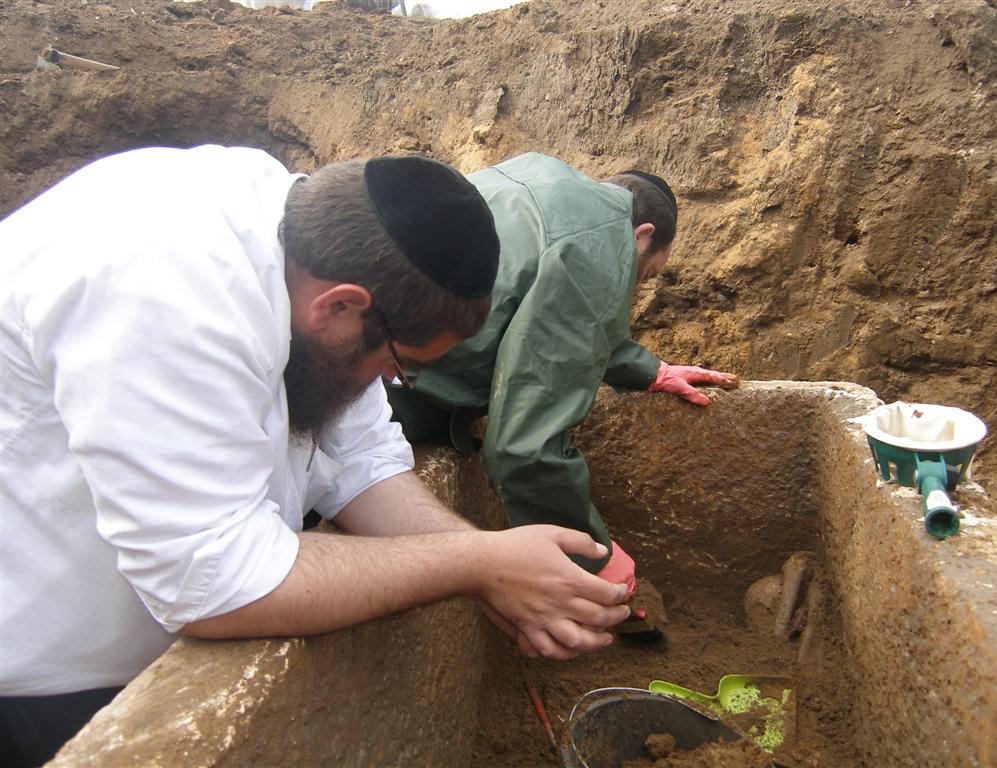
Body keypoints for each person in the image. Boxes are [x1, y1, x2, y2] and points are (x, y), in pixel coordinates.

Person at [0, 145, 634, 767]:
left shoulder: (310, 242)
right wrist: (477, 561)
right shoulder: (160, 290)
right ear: (340, 306)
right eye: (398, 367)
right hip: (39, 660)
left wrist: (494, 566)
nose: (386, 383)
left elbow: (359, 456)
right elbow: (213, 580)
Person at [387, 152, 738, 592]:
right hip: (386, 374)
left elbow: (548, 312)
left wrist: (651, 370)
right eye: (642, 275)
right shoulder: (601, 247)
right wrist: (591, 555)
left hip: (375, 349)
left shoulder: (538, 176)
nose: (630, 286)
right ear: (642, 234)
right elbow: (522, 446)